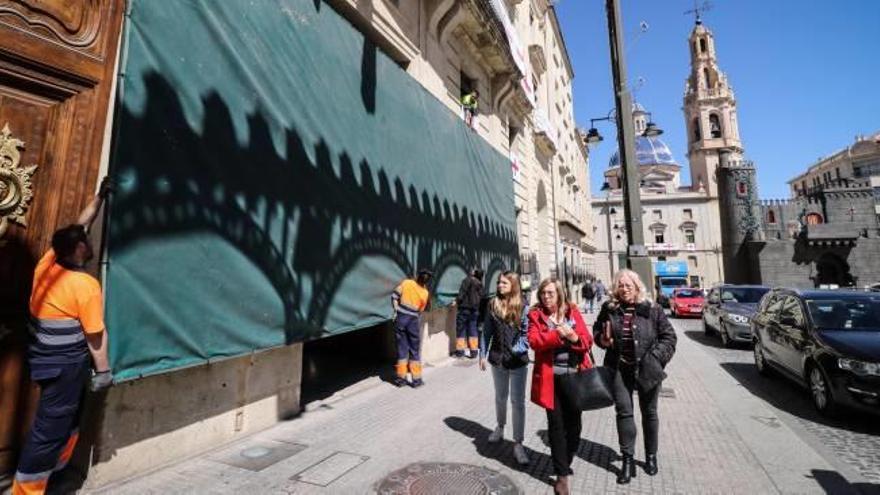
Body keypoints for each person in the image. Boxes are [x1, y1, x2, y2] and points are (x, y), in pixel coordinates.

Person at [14, 178, 114, 495]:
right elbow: (96, 336)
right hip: (65, 367)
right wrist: (104, 371)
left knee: (66, 422)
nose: (87, 238)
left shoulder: (48, 263)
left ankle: (55, 476)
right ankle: (26, 491)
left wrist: (98, 197)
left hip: (45, 363)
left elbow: (80, 224)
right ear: (80, 250)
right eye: (84, 239)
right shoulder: (85, 286)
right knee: (49, 430)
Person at [593, 269, 677, 485]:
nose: (624, 289)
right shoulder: (609, 308)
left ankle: (650, 456)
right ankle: (627, 460)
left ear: (637, 287)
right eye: (620, 285)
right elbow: (596, 331)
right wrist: (602, 340)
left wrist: (655, 358)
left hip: (648, 368)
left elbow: (669, 337)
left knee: (649, 413)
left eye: (628, 285)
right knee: (624, 412)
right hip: (620, 368)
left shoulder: (653, 309)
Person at [527, 278, 593, 495]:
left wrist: (573, 336)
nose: (546, 297)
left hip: (575, 377)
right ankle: (561, 476)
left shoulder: (572, 312)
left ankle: (567, 456)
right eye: (543, 293)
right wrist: (558, 334)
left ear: (559, 293)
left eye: (550, 293)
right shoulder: (536, 315)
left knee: (574, 426)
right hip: (550, 379)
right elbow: (535, 342)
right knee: (555, 426)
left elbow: (586, 341)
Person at [478, 271, 530, 465]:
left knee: (518, 402)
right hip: (497, 359)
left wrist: (516, 350)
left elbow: (527, 334)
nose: (499, 285)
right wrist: (482, 354)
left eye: (504, 283)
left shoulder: (524, 306)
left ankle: (518, 443)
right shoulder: (493, 304)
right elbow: (487, 332)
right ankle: (500, 427)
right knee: (501, 397)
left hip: (517, 361)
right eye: (499, 282)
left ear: (514, 285)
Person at [391, 269, 432, 387]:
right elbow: (420, 310)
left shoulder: (406, 283)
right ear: (427, 281)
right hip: (413, 321)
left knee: (402, 350)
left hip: (401, 319)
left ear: (417, 276)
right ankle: (416, 380)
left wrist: (396, 310)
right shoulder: (425, 293)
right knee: (414, 350)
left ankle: (401, 379)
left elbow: (394, 296)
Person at [453, 268, 483, 358]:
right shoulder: (480, 283)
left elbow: (462, 293)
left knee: (461, 330)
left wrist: (456, 301)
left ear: (474, 273)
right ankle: (474, 352)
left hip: (464, 309)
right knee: (473, 330)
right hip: (474, 310)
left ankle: (460, 352)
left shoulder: (467, 280)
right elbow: (481, 296)